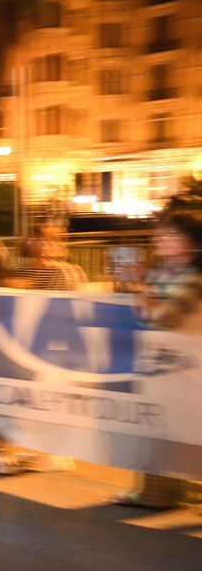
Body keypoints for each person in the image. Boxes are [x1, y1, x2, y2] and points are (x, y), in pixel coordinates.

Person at [117, 211, 202, 509]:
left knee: (183, 426)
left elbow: (166, 318)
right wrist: (141, 288)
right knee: (157, 426)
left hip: (189, 365)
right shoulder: (159, 273)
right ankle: (159, 492)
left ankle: (168, 491)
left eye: (171, 236)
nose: (161, 241)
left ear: (191, 241)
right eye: (160, 236)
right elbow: (144, 315)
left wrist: (144, 291)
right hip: (161, 364)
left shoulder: (195, 279)